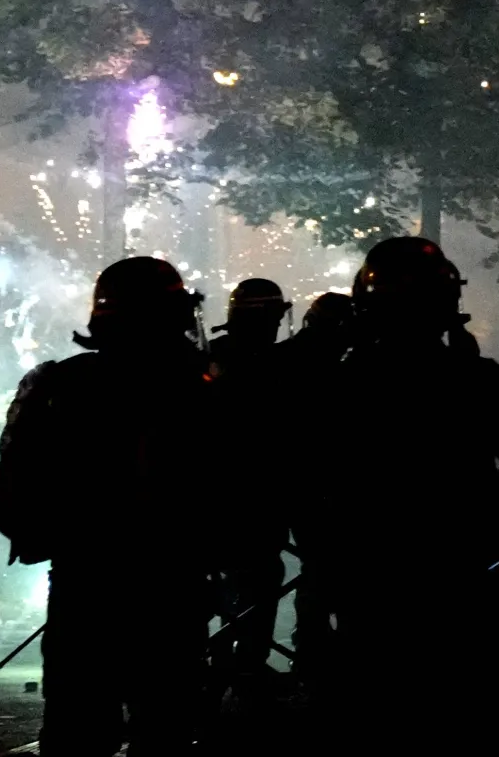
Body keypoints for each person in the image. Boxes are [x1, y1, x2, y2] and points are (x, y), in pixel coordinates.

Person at [323, 237, 499, 749]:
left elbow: (303, 471)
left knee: (376, 708)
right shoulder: (478, 380)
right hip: (461, 578)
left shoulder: (340, 383)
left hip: (370, 577)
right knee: (462, 709)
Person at [0, 257, 214, 756]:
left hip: (85, 582)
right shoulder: (203, 392)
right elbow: (235, 491)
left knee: (78, 729)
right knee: (166, 727)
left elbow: (14, 495)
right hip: (172, 583)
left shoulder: (54, 385)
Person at [206, 279, 293, 696]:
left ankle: (223, 654)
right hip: (254, 494)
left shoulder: (210, 358)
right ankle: (246, 659)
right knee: (261, 572)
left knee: (230, 574)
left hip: (216, 491)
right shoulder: (275, 366)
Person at [275, 291, 355, 685]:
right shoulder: (344, 368)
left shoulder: (282, 360)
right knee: (327, 569)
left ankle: (308, 651)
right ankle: (321, 652)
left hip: (290, 486)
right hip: (321, 488)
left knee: (318, 570)